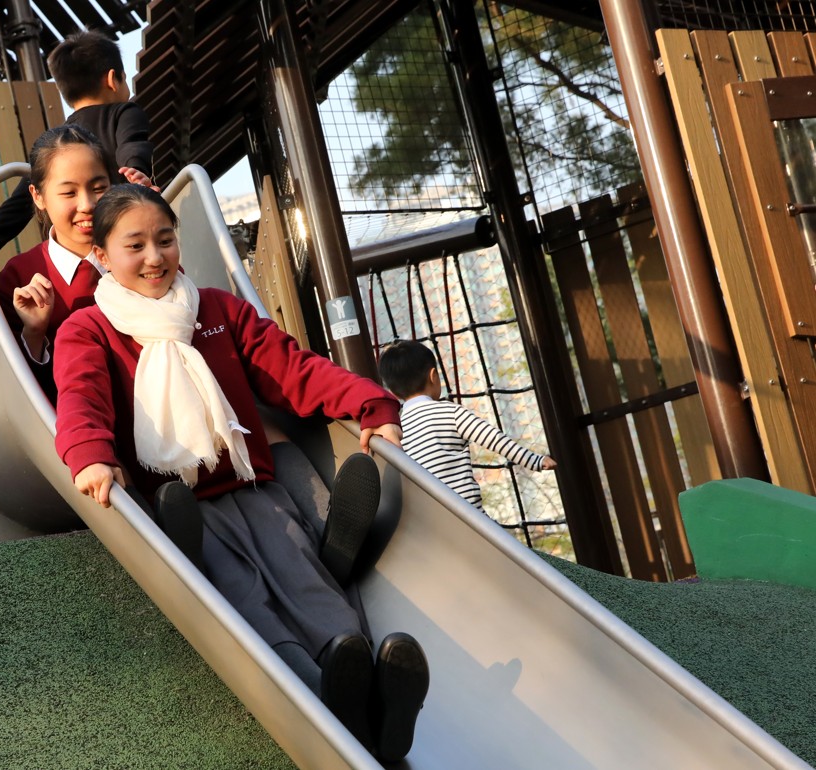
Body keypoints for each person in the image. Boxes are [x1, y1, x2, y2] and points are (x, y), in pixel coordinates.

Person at [53, 184, 430, 762]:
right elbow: (82, 396)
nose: (155, 257)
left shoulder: (215, 311)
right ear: (101, 255)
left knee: (300, 567)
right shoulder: (90, 330)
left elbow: (292, 369)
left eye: (165, 240)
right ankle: (318, 689)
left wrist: (369, 403)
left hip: (253, 485)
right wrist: (89, 454)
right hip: (181, 506)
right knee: (242, 593)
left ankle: (356, 669)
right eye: (135, 246)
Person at [0, 30, 155, 262]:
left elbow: (18, 205)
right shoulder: (125, 111)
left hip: (74, 249)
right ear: (112, 79)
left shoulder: (58, 142)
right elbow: (132, 142)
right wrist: (136, 169)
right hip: (120, 237)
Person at [0, 125, 120, 401]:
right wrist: (34, 334)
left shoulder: (139, 251)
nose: (87, 204)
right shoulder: (17, 279)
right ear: (38, 197)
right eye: (69, 193)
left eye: (99, 188)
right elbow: (11, 393)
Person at [377, 340, 557, 510]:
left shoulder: (395, 430)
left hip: (431, 521)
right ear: (433, 376)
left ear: (393, 392)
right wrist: (535, 460)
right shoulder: (450, 412)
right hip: (468, 514)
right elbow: (493, 438)